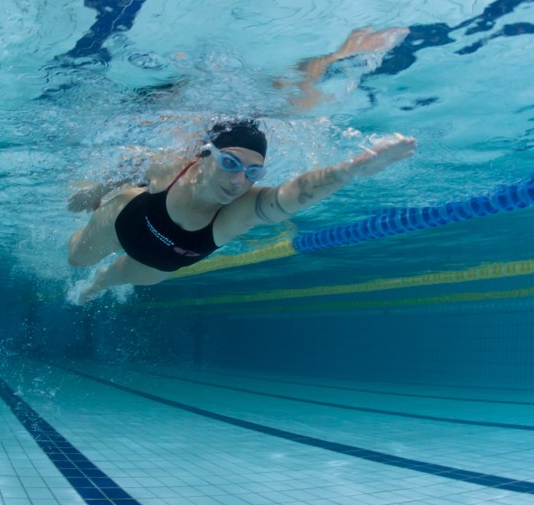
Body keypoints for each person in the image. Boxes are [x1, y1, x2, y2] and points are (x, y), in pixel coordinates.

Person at [66, 27, 416, 303]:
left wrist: (351, 170)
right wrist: (95, 192)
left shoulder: (238, 210)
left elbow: (291, 197)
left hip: (159, 264)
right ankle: (89, 265)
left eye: (252, 172)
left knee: (107, 279)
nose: (238, 181)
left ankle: (92, 289)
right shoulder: (174, 169)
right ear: (204, 155)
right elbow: (134, 166)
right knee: (76, 259)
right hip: (126, 220)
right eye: (231, 162)